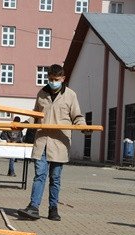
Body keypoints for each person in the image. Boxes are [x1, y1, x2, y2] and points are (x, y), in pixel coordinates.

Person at [17, 64, 87, 221]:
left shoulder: (70, 95)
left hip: (59, 143)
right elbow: (35, 115)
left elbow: (77, 116)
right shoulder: (41, 93)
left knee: (55, 178)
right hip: (42, 141)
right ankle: (33, 207)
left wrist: (83, 127)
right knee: (39, 175)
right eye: (50, 79)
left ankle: (53, 209)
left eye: (56, 79)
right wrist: (23, 125)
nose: (53, 82)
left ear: (63, 79)